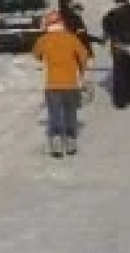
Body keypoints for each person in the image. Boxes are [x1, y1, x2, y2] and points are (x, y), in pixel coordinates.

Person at [32, 15, 90, 157]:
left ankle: (57, 144)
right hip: (71, 84)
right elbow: (83, 54)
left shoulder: (43, 40)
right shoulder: (71, 38)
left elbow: (36, 54)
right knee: (71, 112)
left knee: (54, 114)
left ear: (48, 25)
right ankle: (71, 142)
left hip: (52, 85)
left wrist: (44, 56)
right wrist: (81, 72)